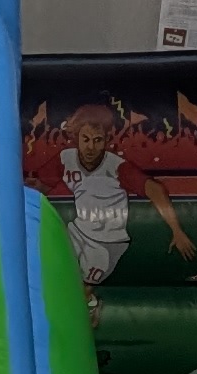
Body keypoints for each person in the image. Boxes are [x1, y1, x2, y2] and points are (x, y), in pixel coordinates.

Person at [49, 96, 185, 287]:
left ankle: (90, 310)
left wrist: (177, 230)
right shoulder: (65, 159)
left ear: (106, 140)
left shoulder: (116, 167)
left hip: (107, 242)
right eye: (85, 139)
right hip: (77, 232)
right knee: (50, 270)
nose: (90, 147)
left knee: (84, 287)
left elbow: (155, 189)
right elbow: (37, 186)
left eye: (97, 140)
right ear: (76, 138)